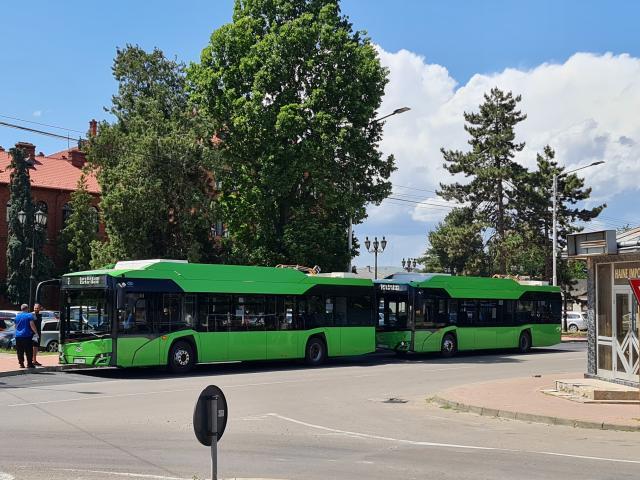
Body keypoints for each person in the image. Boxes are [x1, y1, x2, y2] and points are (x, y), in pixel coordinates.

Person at [15, 304, 37, 369]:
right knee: (29, 350)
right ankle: (29, 364)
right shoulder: (29, 315)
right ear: (27, 308)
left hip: (18, 336)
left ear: (21, 309)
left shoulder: (17, 316)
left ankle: (21, 364)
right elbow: (32, 324)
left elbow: (16, 326)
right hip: (27, 335)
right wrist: (36, 332)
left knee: (19, 351)